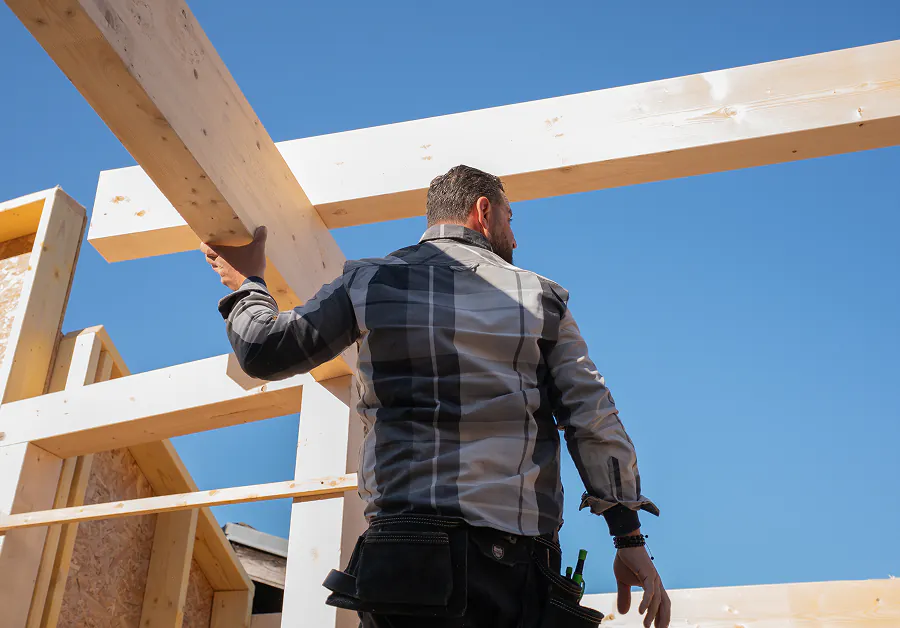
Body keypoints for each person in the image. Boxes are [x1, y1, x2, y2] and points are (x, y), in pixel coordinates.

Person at [202, 165, 670, 628]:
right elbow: (592, 416)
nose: (514, 238)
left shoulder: (368, 283)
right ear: (483, 211)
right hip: (515, 568)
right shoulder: (540, 299)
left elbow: (263, 350)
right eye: (510, 219)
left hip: (405, 560)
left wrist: (248, 285)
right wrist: (627, 537)